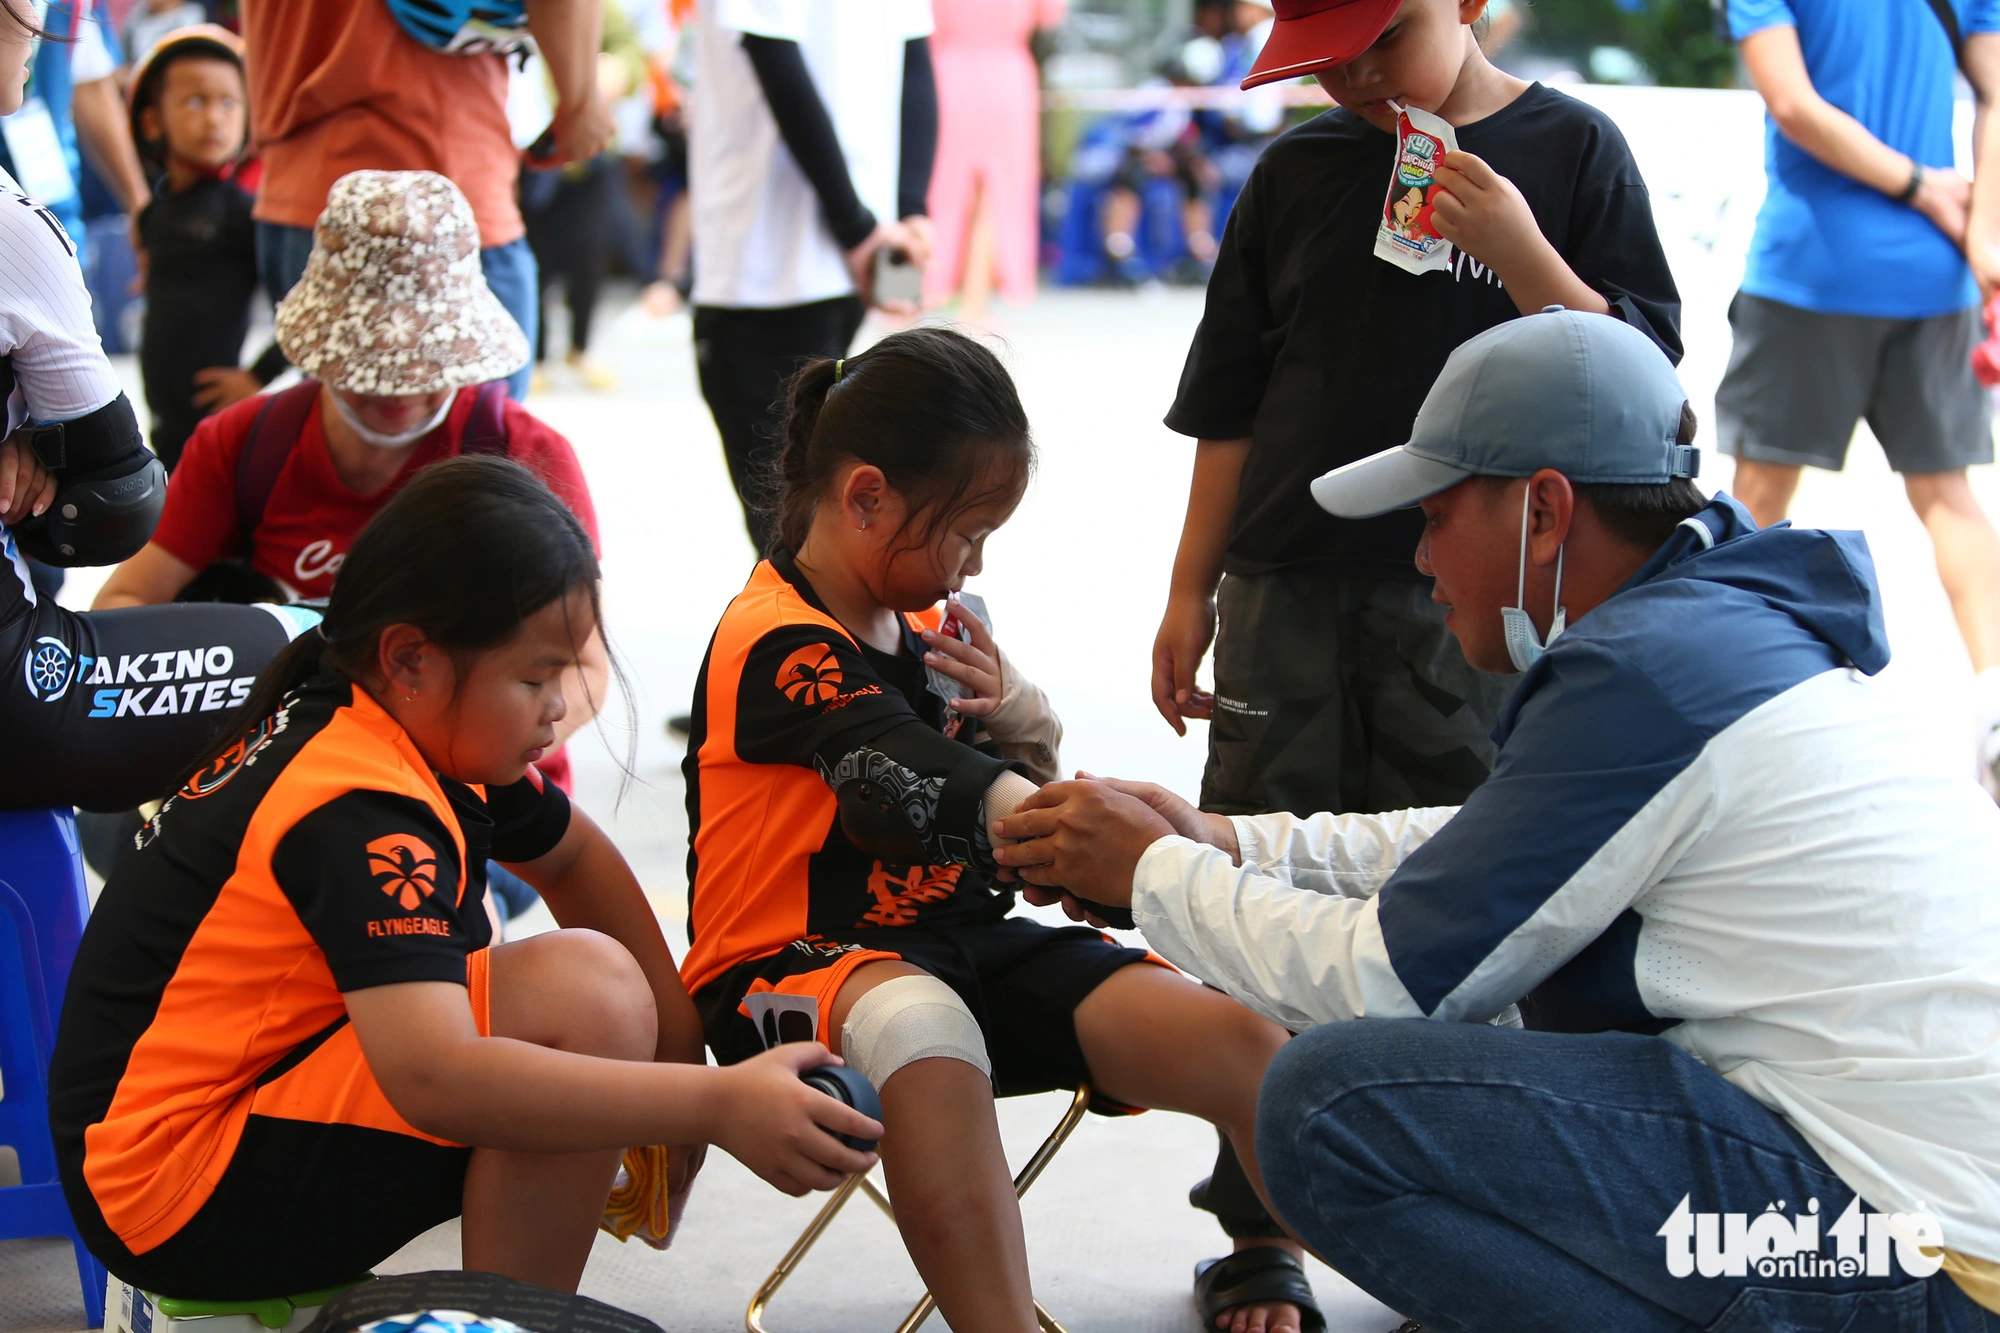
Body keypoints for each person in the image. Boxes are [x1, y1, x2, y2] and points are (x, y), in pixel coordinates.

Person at [998, 310, 2000, 1333]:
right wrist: (1232, 843)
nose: (1421, 559)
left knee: (1326, 1103)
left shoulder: (1642, 675)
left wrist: (1154, 876)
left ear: (1543, 513)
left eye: (1434, 515)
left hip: (1915, 1256)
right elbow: (1491, 851)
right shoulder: (1712, 627)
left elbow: (1386, 978)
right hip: (1930, 1213)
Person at [48, 456, 884, 1302]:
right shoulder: (358, 804)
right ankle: (509, 1320)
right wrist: (709, 1102)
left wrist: (678, 1042)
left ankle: (511, 1314)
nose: (559, 707)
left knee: (597, 993)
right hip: (174, 1187)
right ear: (412, 659)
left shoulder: (382, 715)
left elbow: (574, 855)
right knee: (588, 1000)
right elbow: (436, 1077)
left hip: (179, 1136)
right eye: (535, 677)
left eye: (567, 671)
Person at [1147, 1, 1680, 1323]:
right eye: (1321, 56)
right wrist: (1186, 587)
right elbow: (1230, 402)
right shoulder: (1297, 168)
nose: (1353, 77)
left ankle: (1474, 1219)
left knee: (1475, 908)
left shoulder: (1572, 155)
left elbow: (1648, 391)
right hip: (1284, 586)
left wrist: (1515, 247)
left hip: (1484, 607)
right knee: (1257, 880)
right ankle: (1260, 1221)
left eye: (1379, 43)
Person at [682, 326, 1292, 1333]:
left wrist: (1018, 707)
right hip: (788, 966)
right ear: (864, 493)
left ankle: (1308, 1259)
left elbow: (1014, 769)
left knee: (1251, 1046)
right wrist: (1124, 851)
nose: (972, 562)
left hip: (965, 944)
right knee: (926, 1027)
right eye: (963, 533)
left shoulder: (929, 624)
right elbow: (924, 779)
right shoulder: (773, 640)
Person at [0, 0, 312, 816]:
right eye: (26, 12)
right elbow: (113, 508)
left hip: (196, 432)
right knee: (321, 646)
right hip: (15, 696)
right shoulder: (15, 221)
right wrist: (40, 444)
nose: (40, 28)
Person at [1717, 0, 2000, 802]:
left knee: (1760, 496)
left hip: (1814, 266)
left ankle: (1727, 698)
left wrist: (1919, 190)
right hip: (1935, 269)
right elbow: (1996, 92)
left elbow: (1795, 104)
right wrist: (1979, 229)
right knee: (1949, 494)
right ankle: (1995, 705)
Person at [238, 0, 617, 401]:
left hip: (298, 182)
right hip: (440, 197)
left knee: (347, 450)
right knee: (477, 449)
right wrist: (581, 101)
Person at [689, 0, 938, 553]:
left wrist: (858, 229)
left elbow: (773, 55)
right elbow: (915, 57)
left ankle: (809, 641)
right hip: (848, 258)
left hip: (768, 262)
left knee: (791, 532)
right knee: (820, 516)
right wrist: (907, 210)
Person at [127, 25, 286, 470]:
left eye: (229, 102)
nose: (215, 118)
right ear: (153, 120)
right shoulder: (152, 214)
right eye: (196, 100)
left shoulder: (245, 214)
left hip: (217, 420)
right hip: (162, 416)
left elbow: (305, 303)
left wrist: (258, 374)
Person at [922, 0, 1066, 323]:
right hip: (1008, 77)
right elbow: (1051, 15)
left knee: (936, 189)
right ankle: (974, 304)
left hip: (946, 74)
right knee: (999, 193)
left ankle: (917, 292)